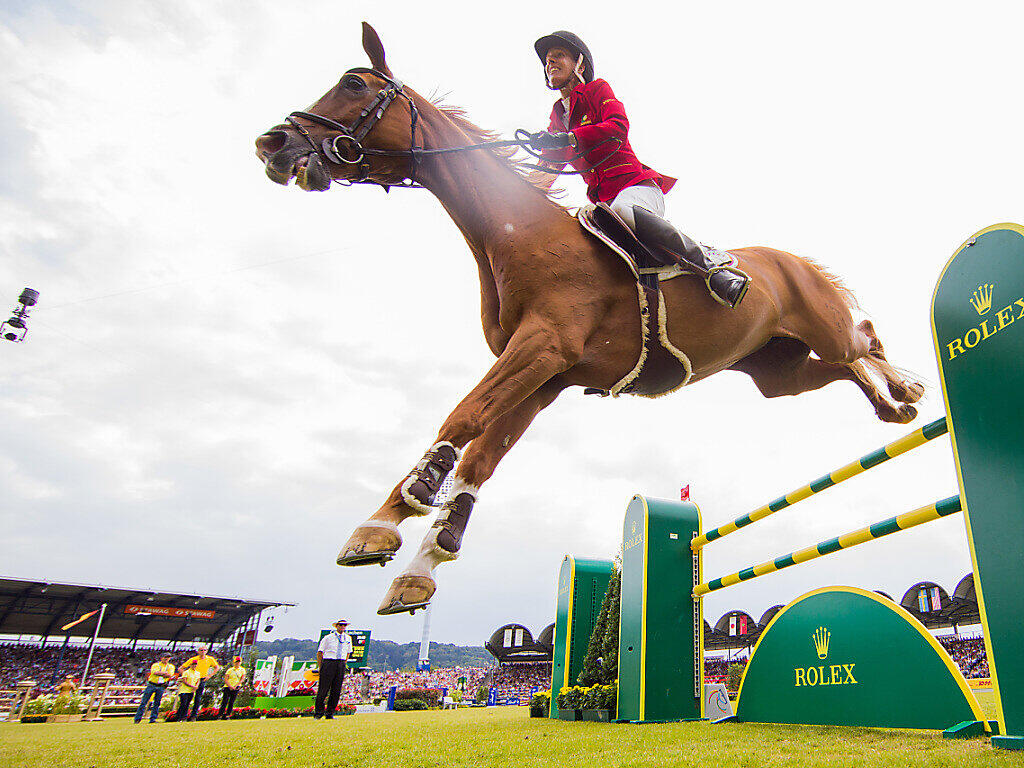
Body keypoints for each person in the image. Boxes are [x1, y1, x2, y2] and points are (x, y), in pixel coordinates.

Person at [530, 31, 750, 308]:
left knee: (622, 209)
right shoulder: (557, 118)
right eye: (547, 60)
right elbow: (545, 170)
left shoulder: (597, 90)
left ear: (580, 65)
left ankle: (710, 267)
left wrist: (570, 138)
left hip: (637, 191)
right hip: (605, 208)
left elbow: (617, 127)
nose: (550, 63)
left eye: (558, 56)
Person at [315, 619, 352, 720]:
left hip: (340, 663)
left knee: (336, 690)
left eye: (344, 625)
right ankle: (318, 713)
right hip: (329, 662)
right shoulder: (328, 637)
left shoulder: (348, 638)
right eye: (341, 625)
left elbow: (348, 652)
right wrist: (321, 666)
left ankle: (330, 713)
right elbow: (320, 652)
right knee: (323, 689)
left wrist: (344, 663)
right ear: (336, 626)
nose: (342, 627)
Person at [134, 652, 174, 724]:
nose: (166, 659)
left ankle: (153, 719)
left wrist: (161, 673)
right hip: (152, 684)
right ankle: (138, 718)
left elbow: (170, 675)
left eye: (168, 657)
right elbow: (155, 672)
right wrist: (164, 673)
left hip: (161, 686)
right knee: (144, 702)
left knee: (157, 703)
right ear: (161, 658)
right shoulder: (156, 665)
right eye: (165, 657)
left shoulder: (171, 666)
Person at [181, 647, 220, 721]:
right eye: (201, 650)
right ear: (198, 651)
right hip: (192, 680)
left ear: (207, 651)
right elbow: (181, 668)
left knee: (198, 698)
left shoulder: (210, 659)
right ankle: (184, 716)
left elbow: (217, 667)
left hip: (202, 679)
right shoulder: (193, 659)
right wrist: (186, 676)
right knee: (187, 699)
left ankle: (193, 716)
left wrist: (209, 676)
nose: (203, 651)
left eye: (204, 650)